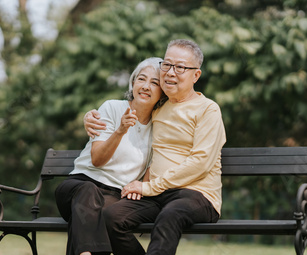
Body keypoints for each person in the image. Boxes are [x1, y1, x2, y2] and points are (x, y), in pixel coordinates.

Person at [84, 39, 226, 255]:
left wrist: (148, 187)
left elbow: (200, 163)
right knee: (111, 217)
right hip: (158, 194)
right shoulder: (159, 108)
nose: (170, 72)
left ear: (196, 75)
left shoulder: (208, 110)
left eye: (180, 67)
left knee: (170, 215)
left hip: (197, 195)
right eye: (167, 65)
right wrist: (90, 116)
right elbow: (129, 110)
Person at [54, 57, 166, 255]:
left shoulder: (160, 125)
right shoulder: (112, 108)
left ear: (162, 92)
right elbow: (97, 160)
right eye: (141, 79)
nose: (146, 86)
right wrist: (120, 130)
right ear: (133, 83)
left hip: (113, 195)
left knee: (100, 218)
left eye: (155, 82)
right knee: (89, 193)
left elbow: (153, 164)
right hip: (78, 186)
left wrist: (142, 187)